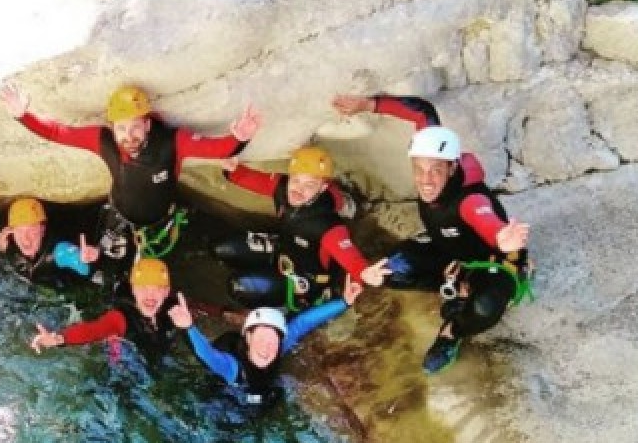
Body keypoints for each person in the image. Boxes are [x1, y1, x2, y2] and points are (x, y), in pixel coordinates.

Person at [331, 94, 533, 373]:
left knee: (484, 308)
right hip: (448, 249)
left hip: (491, 261)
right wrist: (367, 105)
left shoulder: (469, 200)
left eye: (436, 171)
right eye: (419, 169)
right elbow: (422, 112)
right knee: (388, 272)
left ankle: (451, 331)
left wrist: (501, 237)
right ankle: (453, 286)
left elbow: (484, 217)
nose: (426, 180)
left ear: (452, 167)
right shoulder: (434, 149)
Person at [1, 82, 262, 295]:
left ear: (147, 125)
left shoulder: (171, 143)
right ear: (113, 128)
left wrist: (239, 138)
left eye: (136, 127)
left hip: (159, 222)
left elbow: (215, 149)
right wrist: (23, 116)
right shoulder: (104, 141)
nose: (129, 136)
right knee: (106, 273)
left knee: (155, 275)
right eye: (122, 129)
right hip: (118, 218)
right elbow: (59, 133)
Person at [213, 145, 390, 311]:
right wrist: (231, 169)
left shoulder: (327, 225)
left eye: (309, 185)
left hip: (304, 276)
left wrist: (363, 273)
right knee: (221, 248)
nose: (298, 189)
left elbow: (349, 256)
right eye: (296, 180)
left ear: (322, 188)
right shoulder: (282, 187)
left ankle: (282, 306)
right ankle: (262, 274)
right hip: (283, 248)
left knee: (239, 286)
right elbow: (247, 178)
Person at [168, 279, 362, 406]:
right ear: (248, 338)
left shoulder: (278, 347)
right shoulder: (232, 368)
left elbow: (303, 322)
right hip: (224, 400)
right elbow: (207, 355)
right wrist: (188, 327)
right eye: (261, 338)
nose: (267, 346)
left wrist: (344, 302)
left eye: (272, 340)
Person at [29, 257, 181, 361]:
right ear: (134, 289)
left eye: (157, 289)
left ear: (166, 292)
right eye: (143, 288)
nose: (150, 296)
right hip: (126, 370)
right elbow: (94, 330)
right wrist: (60, 339)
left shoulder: (176, 310)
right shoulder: (121, 317)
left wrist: (189, 325)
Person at [0, 196, 93, 284]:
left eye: (32, 230)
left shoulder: (59, 252)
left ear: (43, 230)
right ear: (10, 231)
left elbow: (84, 267)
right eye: (20, 231)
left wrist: (87, 260)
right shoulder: (6, 244)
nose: (26, 239)